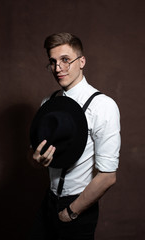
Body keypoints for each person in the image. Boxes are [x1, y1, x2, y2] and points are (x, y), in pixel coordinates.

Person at [29, 32, 121, 240]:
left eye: (65, 60)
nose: (58, 68)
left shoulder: (103, 106)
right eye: (52, 62)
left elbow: (108, 176)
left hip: (76, 207)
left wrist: (71, 212)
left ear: (82, 62)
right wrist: (36, 161)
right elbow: (33, 155)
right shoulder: (49, 102)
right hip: (48, 202)